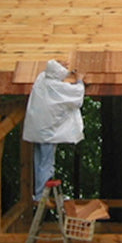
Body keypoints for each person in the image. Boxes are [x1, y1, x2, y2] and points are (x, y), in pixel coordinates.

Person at [22, 59, 85, 201]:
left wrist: (60, 66)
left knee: (39, 162)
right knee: (46, 164)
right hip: (48, 134)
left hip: (37, 131)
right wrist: (79, 80)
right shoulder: (56, 86)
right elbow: (77, 95)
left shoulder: (41, 79)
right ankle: (40, 197)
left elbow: (50, 71)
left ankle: (38, 194)